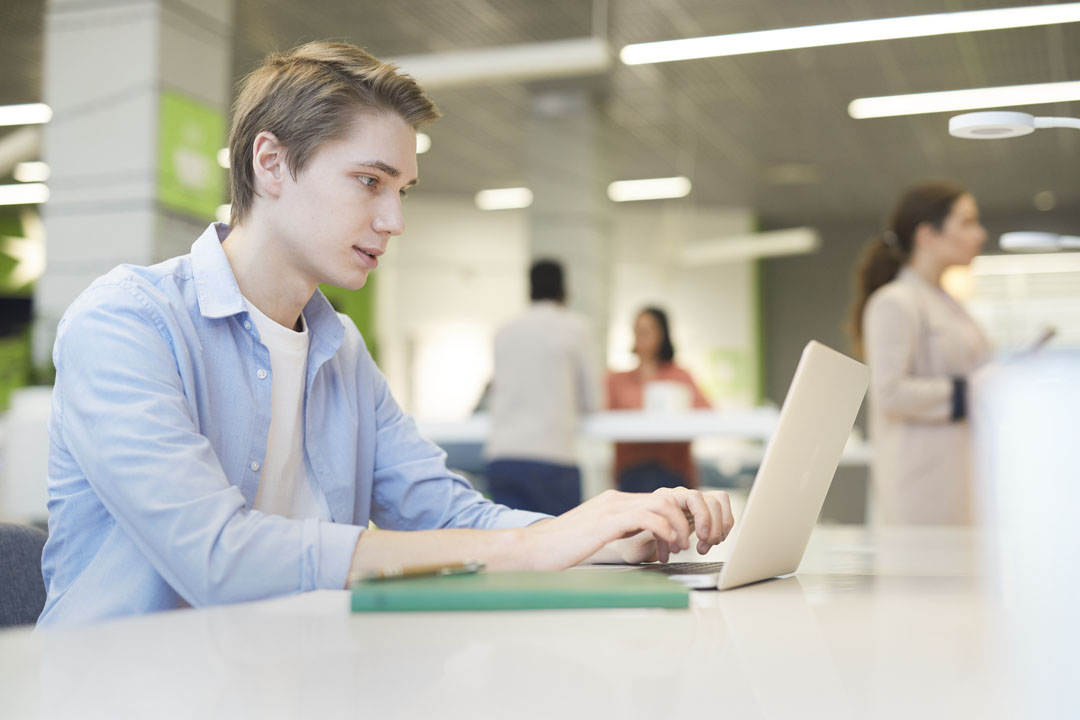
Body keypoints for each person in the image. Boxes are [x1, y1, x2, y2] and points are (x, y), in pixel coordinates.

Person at [37, 42, 734, 628]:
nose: (394, 220)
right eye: (369, 181)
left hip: (292, 679)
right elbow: (217, 557)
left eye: (401, 189)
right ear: (270, 163)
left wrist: (609, 534)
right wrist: (529, 547)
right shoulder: (126, 323)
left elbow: (444, 513)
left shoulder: (340, 351)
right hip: (129, 689)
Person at [849, 180, 992, 525]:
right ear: (927, 235)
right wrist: (971, 391)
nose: (981, 234)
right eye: (967, 222)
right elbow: (890, 391)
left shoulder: (949, 303)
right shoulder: (895, 302)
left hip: (963, 475)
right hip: (922, 486)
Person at [485, 260, 600, 515]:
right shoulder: (576, 328)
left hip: (503, 457)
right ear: (564, 288)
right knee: (563, 546)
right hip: (552, 456)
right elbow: (592, 400)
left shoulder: (504, 331)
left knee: (510, 546)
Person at [607, 307, 711, 493]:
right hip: (632, 471)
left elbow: (707, 411)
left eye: (648, 330)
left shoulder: (680, 376)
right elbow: (606, 419)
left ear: (662, 335)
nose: (641, 336)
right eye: (637, 330)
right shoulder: (616, 380)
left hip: (672, 469)